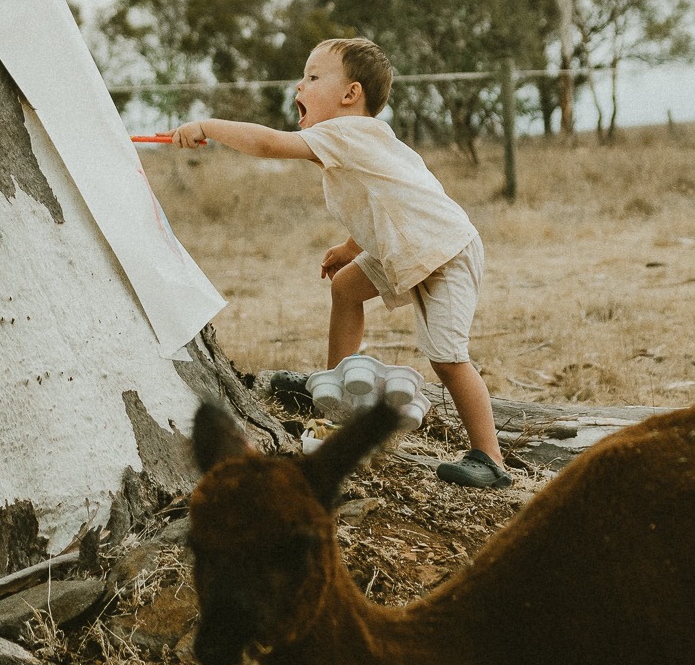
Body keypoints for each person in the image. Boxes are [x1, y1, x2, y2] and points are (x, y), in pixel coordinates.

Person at [169, 38, 512, 488]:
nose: (300, 84)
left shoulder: (346, 132)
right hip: (407, 245)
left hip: (442, 253)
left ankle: (490, 459)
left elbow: (270, 145)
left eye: (312, 77)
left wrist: (209, 125)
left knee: (447, 359)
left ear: (350, 95)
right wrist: (351, 248)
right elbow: (384, 199)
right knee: (346, 288)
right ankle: (331, 388)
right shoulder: (360, 141)